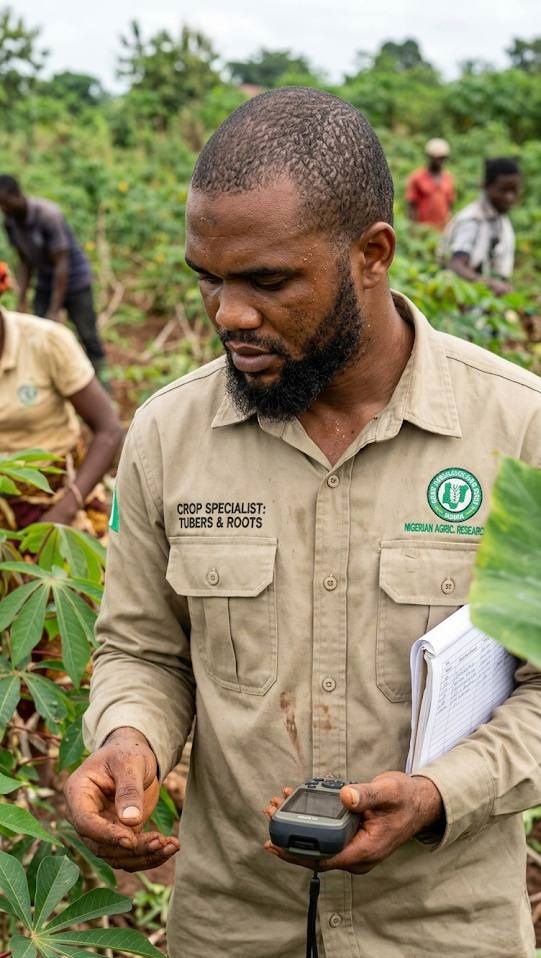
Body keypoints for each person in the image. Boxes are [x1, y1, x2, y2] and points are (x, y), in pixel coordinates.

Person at [65, 89, 541, 958]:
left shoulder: (518, 432)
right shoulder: (169, 434)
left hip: (442, 928)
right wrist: (129, 739)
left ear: (371, 253)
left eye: (267, 281)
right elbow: (142, 647)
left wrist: (438, 791)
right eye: (207, 279)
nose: (229, 316)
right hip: (230, 921)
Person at [0, 298, 122, 532]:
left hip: (58, 493)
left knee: (81, 566)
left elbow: (109, 430)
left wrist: (64, 510)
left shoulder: (46, 341)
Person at [0, 175, 107, 373]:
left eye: (5, 204)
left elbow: (62, 265)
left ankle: (100, 380)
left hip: (75, 281)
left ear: (16, 195)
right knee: (38, 334)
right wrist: (21, 298)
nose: (3, 209)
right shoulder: (10, 222)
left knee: (88, 335)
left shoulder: (48, 215)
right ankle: (48, 378)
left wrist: (55, 310)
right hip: (45, 281)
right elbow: (24, 261)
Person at [440, 157, 521, 296]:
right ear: (486, 186)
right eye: (503, 191)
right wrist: (490, 284)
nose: (510, 198)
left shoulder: (501, 219)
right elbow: (455, 265)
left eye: (514, 191)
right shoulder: (472, 220)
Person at [406, 137, 454, 229]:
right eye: (436, 158)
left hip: (443, 229)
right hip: (423, 229)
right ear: (429, 157)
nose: (439, 161)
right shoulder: (417, 177)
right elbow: (411, 206)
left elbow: (450, 204)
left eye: (442, 158)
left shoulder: (448, 177)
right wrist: (413, 228)